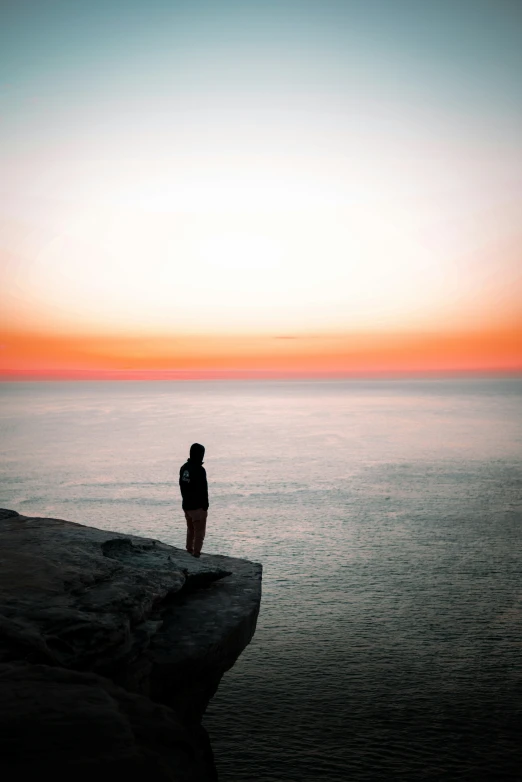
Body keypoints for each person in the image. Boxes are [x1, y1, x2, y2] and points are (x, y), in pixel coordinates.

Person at [179, 442, 209, 558]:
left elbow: (181, 485)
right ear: (199, 454)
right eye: (202, 454)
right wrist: (205, 506)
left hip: (187, 505)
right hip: (198, 506)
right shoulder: (199, 470)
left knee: (190, 530)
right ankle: (196, 554)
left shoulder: (184, 468)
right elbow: (203, 489)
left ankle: (189, 550)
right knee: (199, 533)